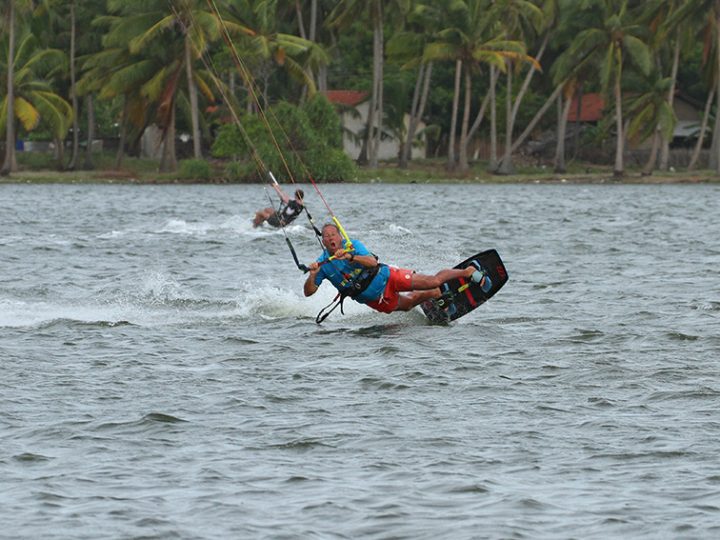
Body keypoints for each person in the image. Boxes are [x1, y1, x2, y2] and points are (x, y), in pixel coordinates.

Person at [304, 223, 487, 313]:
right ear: (323, 241)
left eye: (333, 234)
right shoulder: (323, 265)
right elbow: (309, 292)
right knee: (407, 305)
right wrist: (312, 276)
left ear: (339, 236)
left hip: (387, 277)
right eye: (326, 237)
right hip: (375, 298)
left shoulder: (353, 246)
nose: (330, 238)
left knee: (434, 280)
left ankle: (468, 271)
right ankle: (432, 294)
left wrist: (351, 257)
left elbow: (372, 262)